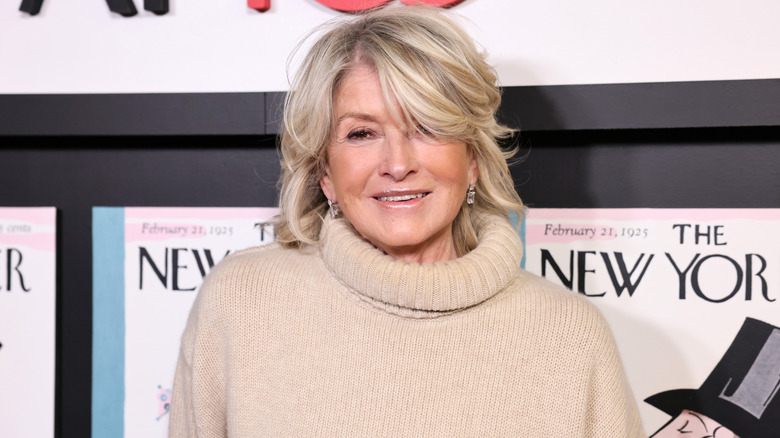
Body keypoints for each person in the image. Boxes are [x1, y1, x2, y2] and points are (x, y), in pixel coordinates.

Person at [169, 5, 643, 436]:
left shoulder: (569, 336)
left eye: (427, 127)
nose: (397, 164)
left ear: (473, 158)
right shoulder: (242, 302)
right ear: (324, 173)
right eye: (361, 133)